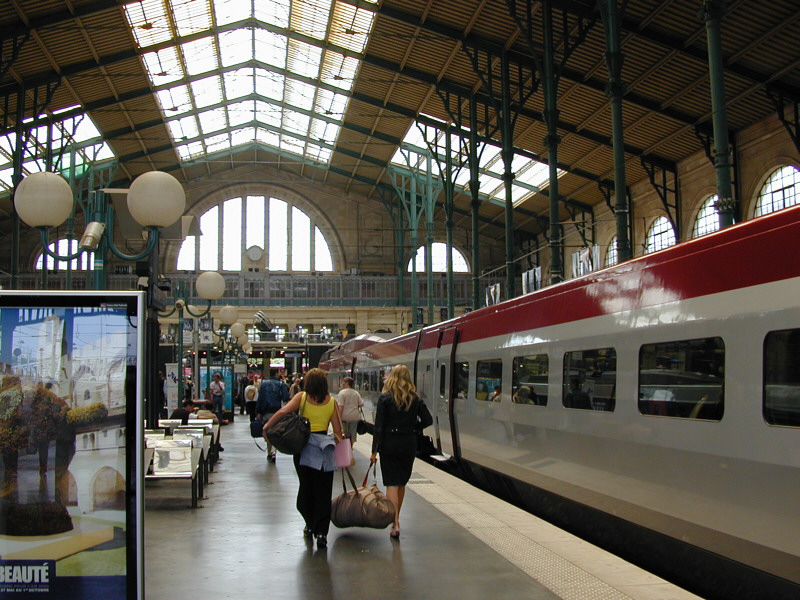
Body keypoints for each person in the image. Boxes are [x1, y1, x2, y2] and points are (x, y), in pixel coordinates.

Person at [263, 368, 344, 549]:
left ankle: (309, 523)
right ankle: (322, 532)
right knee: (324, 491)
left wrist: (267, 426)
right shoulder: (332, 403)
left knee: (306, 488)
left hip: (303, 448)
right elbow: (338, 432)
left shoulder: (302, 398)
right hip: (324, 451)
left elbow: (283, 412)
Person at [370, 364, 433, 539]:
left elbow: (379, 427)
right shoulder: (415, 398)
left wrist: (374, 451)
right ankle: (397, 519)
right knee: (402, 483)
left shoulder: (385, 399)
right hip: (408, 443)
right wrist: (414, 427)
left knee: (391, 483)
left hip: (389, 443)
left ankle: (395, 523)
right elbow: (428, 420)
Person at [257, 367, 289, 463]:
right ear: (276, 373)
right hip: (277, 412)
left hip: (266, 412)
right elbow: (285, 397)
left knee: (267, 432)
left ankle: (269, 452)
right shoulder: (280, 384)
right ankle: (273, 452)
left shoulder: (263, 384)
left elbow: (260, 399)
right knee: (275, 433)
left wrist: (258, 412)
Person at [336, 376, 364, 445]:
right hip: (354, 417)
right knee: (352, 434)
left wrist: (338, 418)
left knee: (344, 434)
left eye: (343, 382)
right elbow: (361, 403)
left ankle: (345, 448)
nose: (342, 384)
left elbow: (341, 406)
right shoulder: (356, 393)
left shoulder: (342, 393)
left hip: (344, 417)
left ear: (347, 383)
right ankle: (350, 448)